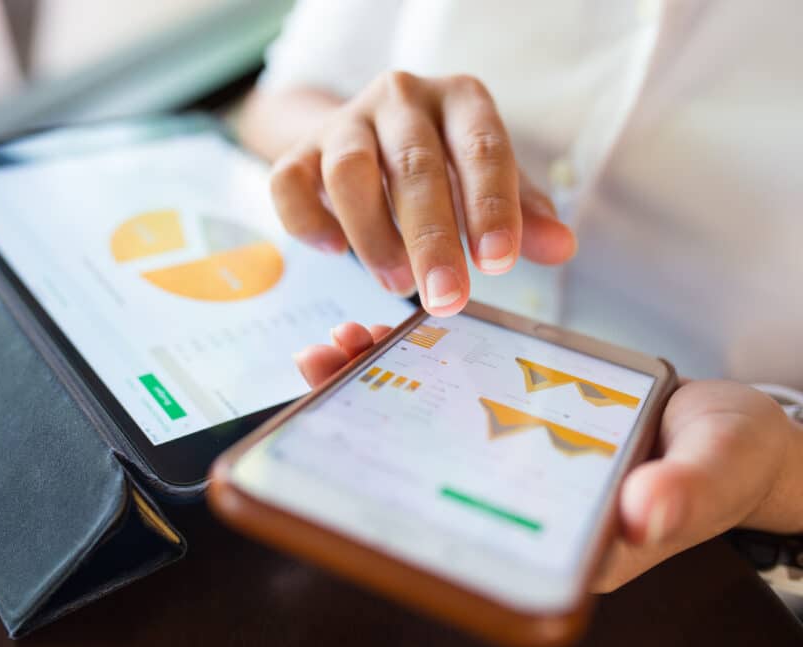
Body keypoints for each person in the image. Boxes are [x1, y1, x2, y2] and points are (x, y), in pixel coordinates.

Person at [237, 0, 803, 591]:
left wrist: (782, 475)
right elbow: (277, 101)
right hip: (408, 416)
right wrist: (353, 146)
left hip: (723, 569)